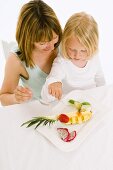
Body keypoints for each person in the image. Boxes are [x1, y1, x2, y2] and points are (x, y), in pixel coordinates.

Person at [0, 0, 62, 106]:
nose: (52, 47)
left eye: (55, 38)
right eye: (43, 43)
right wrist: (15, 98)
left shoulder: (67, 41)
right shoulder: (17, 59)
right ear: (28, 39)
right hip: (41, 113)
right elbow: (3, 97)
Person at [41, 12, 106, 103]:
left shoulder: (94, 57)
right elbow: (53, 79)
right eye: (72, 49)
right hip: (69, 105)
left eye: (83, 51)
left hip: (91, 102)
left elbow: (100, 78)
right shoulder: (62, 61)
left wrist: (102, 95)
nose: (77, 56)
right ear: (65, 43)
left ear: (93, 46)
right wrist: (53, 84)